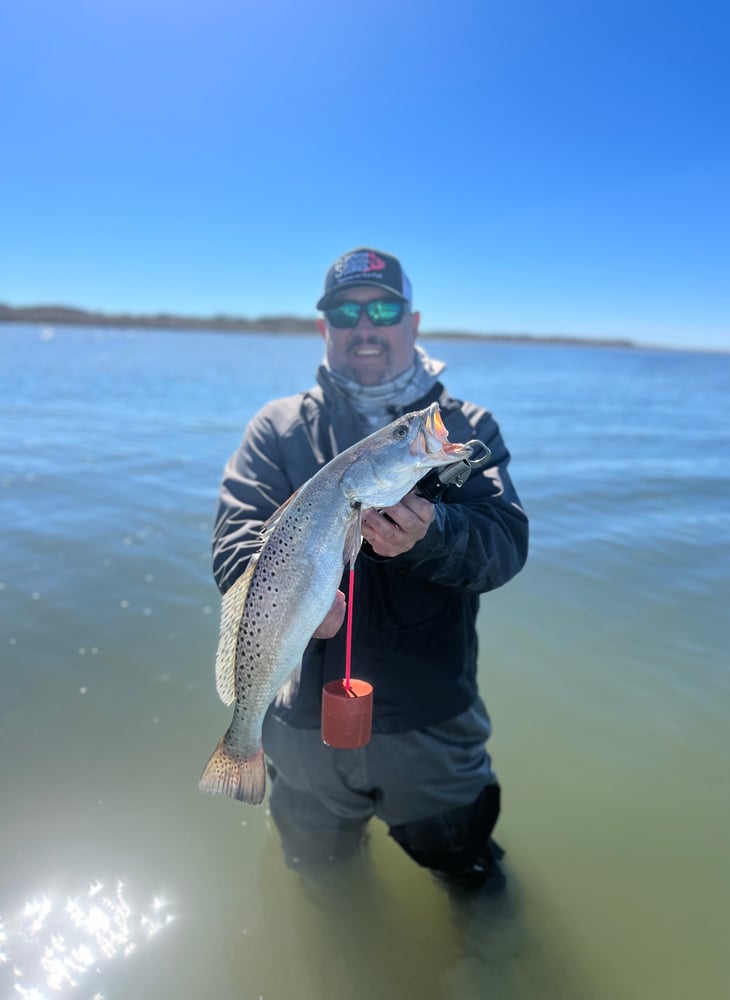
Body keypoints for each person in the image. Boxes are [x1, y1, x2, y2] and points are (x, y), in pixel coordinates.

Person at [212, 247, 529, 890]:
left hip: (431, 723)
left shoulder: (460, 429)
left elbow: (504, 544)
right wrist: (294, 600)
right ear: (326, 328)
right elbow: (237, 538)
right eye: (346, 311)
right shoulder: (276, 429)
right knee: (320, 878)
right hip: (300, 726)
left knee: (469, 876)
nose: (366, 325)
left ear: (412, 324)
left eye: (383, 309)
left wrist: (432, 535)